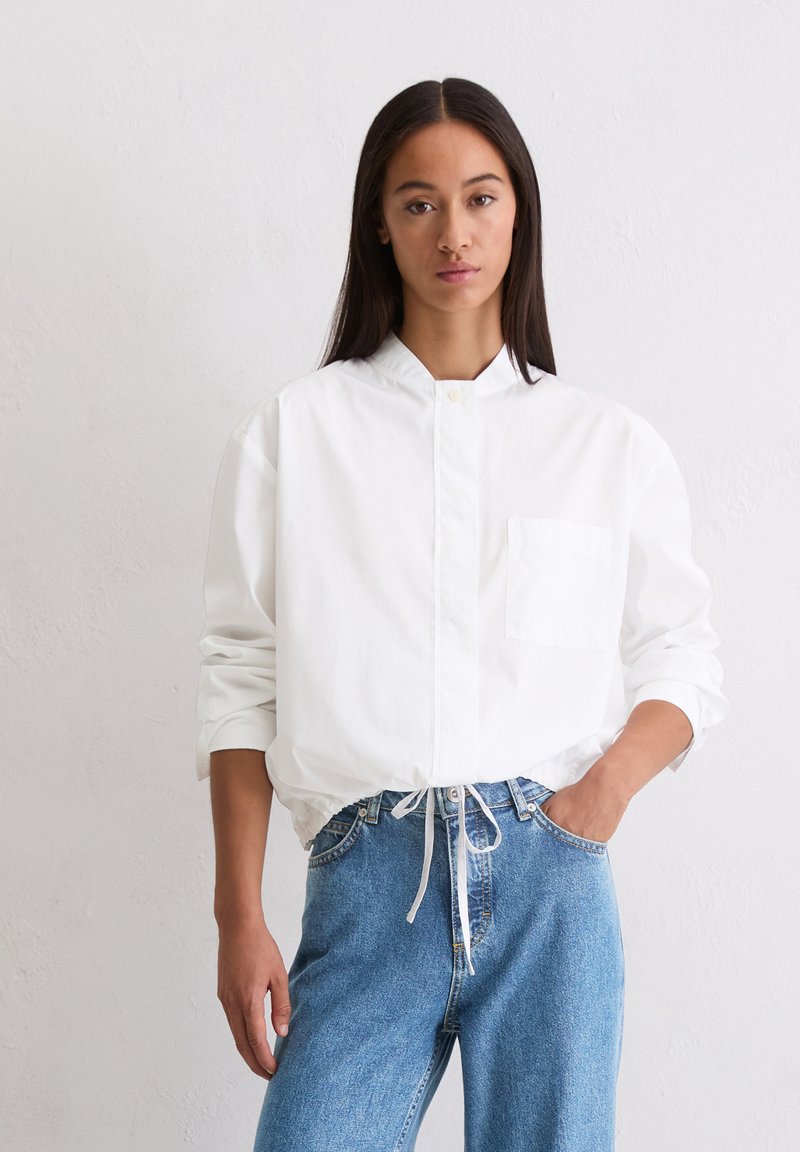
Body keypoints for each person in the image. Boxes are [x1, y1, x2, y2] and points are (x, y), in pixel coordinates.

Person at [195, 77, 729, 1152]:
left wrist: (598, 798)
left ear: (518, 213)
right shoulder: (293, 437)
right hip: (366, 881)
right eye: (419, 203)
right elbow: (240, 679)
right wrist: (237, 914)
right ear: (379, 225)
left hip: (548, 888)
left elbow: (683, 659)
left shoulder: (604, 445)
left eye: (481, 198)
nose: (453, 232)